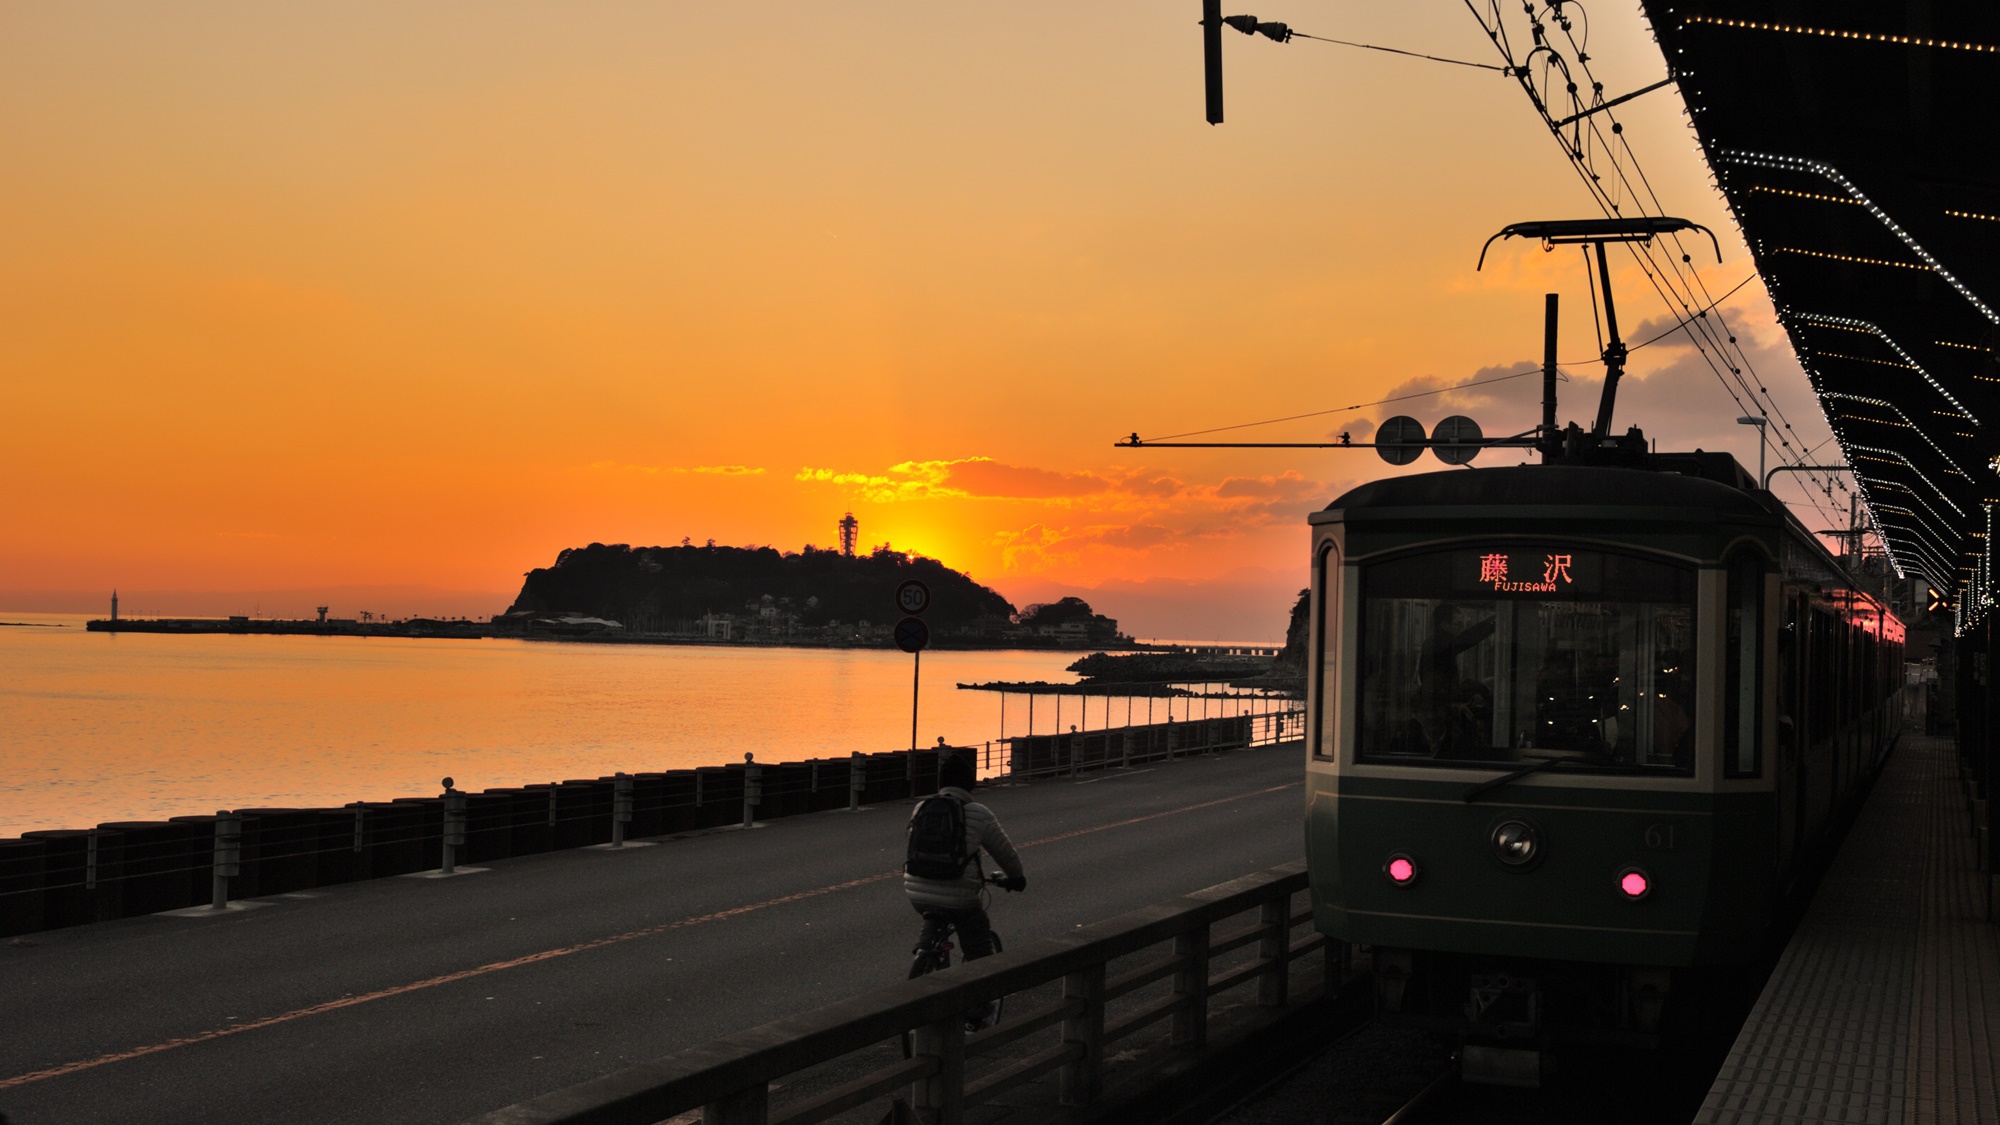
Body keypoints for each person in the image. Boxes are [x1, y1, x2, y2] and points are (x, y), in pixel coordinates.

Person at [904, 754, 1026, 1028]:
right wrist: (1016, 878)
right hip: (960, 896)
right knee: (978, 943)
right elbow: (1006, 854)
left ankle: (923, 957)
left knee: (933, 919)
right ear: (970, 783)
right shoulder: (979, 813)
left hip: (917, 891)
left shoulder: (921, 808)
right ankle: (978, 1013)